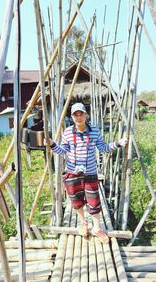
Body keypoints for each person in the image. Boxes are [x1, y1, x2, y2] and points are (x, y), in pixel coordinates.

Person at [46, 102, 127, 244]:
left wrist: (119, 143)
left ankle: (96, 228)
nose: (78, 117)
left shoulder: (94, 131)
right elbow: (63, 151)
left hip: (90, 172)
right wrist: (52, 144)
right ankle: (83, 223)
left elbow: (103, 148)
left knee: (94, 200)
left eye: (81, 114)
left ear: (86, 115)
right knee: (76, 201)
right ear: (72, 117)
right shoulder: (68, 133)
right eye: (75, 115)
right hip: (72, 172)